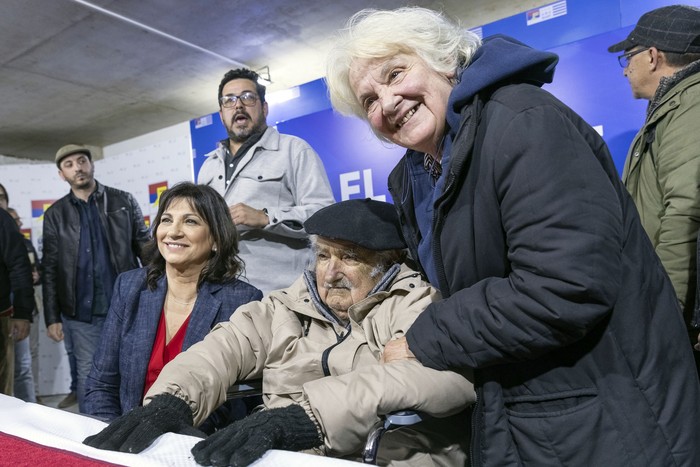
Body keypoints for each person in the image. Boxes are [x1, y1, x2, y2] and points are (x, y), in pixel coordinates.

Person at [325, 7, 700, 466]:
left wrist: (429, 335)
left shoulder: (523, 120)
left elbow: (564, 287)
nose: (387, 102)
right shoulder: (412, 178)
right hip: (523, 407)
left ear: (444, 61)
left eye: (396, 73)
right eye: (368, 100)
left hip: (609, 405)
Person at [83, 198, 475, 466]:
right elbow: (223, 347)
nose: (330, 271)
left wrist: (305, 418)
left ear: (387, 263)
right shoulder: (286, 304)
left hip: (387, 456)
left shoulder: (415, 302)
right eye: (323, 255)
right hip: (288, 456)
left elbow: (445, 379)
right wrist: (173, 400)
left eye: (349, 257)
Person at [84, 182, 263, 430]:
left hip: (195, 440)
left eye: (190, 221)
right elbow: (101, 384)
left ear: (216, 240)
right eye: (166, 220)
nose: (173, 232)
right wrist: (113, 437)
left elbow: (238, 403)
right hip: (124, 436)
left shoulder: (241, 301)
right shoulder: (129, 287)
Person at [607, 4, 700, 374]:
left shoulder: (691, 103)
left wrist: (666, 312)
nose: (626, 70)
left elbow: (688, 209)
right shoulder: (677, 104)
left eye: (629, 58)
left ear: (652, 56)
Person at [197, 68, 335, 294]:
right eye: (229, 100)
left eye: (247, 97)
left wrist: (265, 217)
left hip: (281, 293)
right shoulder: (208, 166)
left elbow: (324, 216)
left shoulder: (293, 150)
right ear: (221, 114)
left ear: (264, 107)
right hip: (222, 289)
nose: (238, 105)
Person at [42, 144, 150, 413]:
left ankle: (131, 427)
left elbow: (145, 250)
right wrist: (52, 317)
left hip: (126, 307)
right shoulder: (55, 214)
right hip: (81, 313)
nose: (77, 167)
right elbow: (51, 269)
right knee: (91, 376)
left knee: (132, 370)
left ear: (91, 165)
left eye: (82, 161)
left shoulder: (122, 200)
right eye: (69, 165)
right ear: (61, 174)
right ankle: (94, 435)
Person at [0, 183, 33, 397]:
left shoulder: (2, 219)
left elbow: (19, 265)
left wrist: (21, 312)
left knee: (2, 393)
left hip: (0, 316)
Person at [7, 207, 40, 403]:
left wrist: (36, 275)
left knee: (23, 365)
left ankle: (29, 406)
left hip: (19, 311)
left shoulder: (24, 243)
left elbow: (33, 269)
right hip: (8, 309)